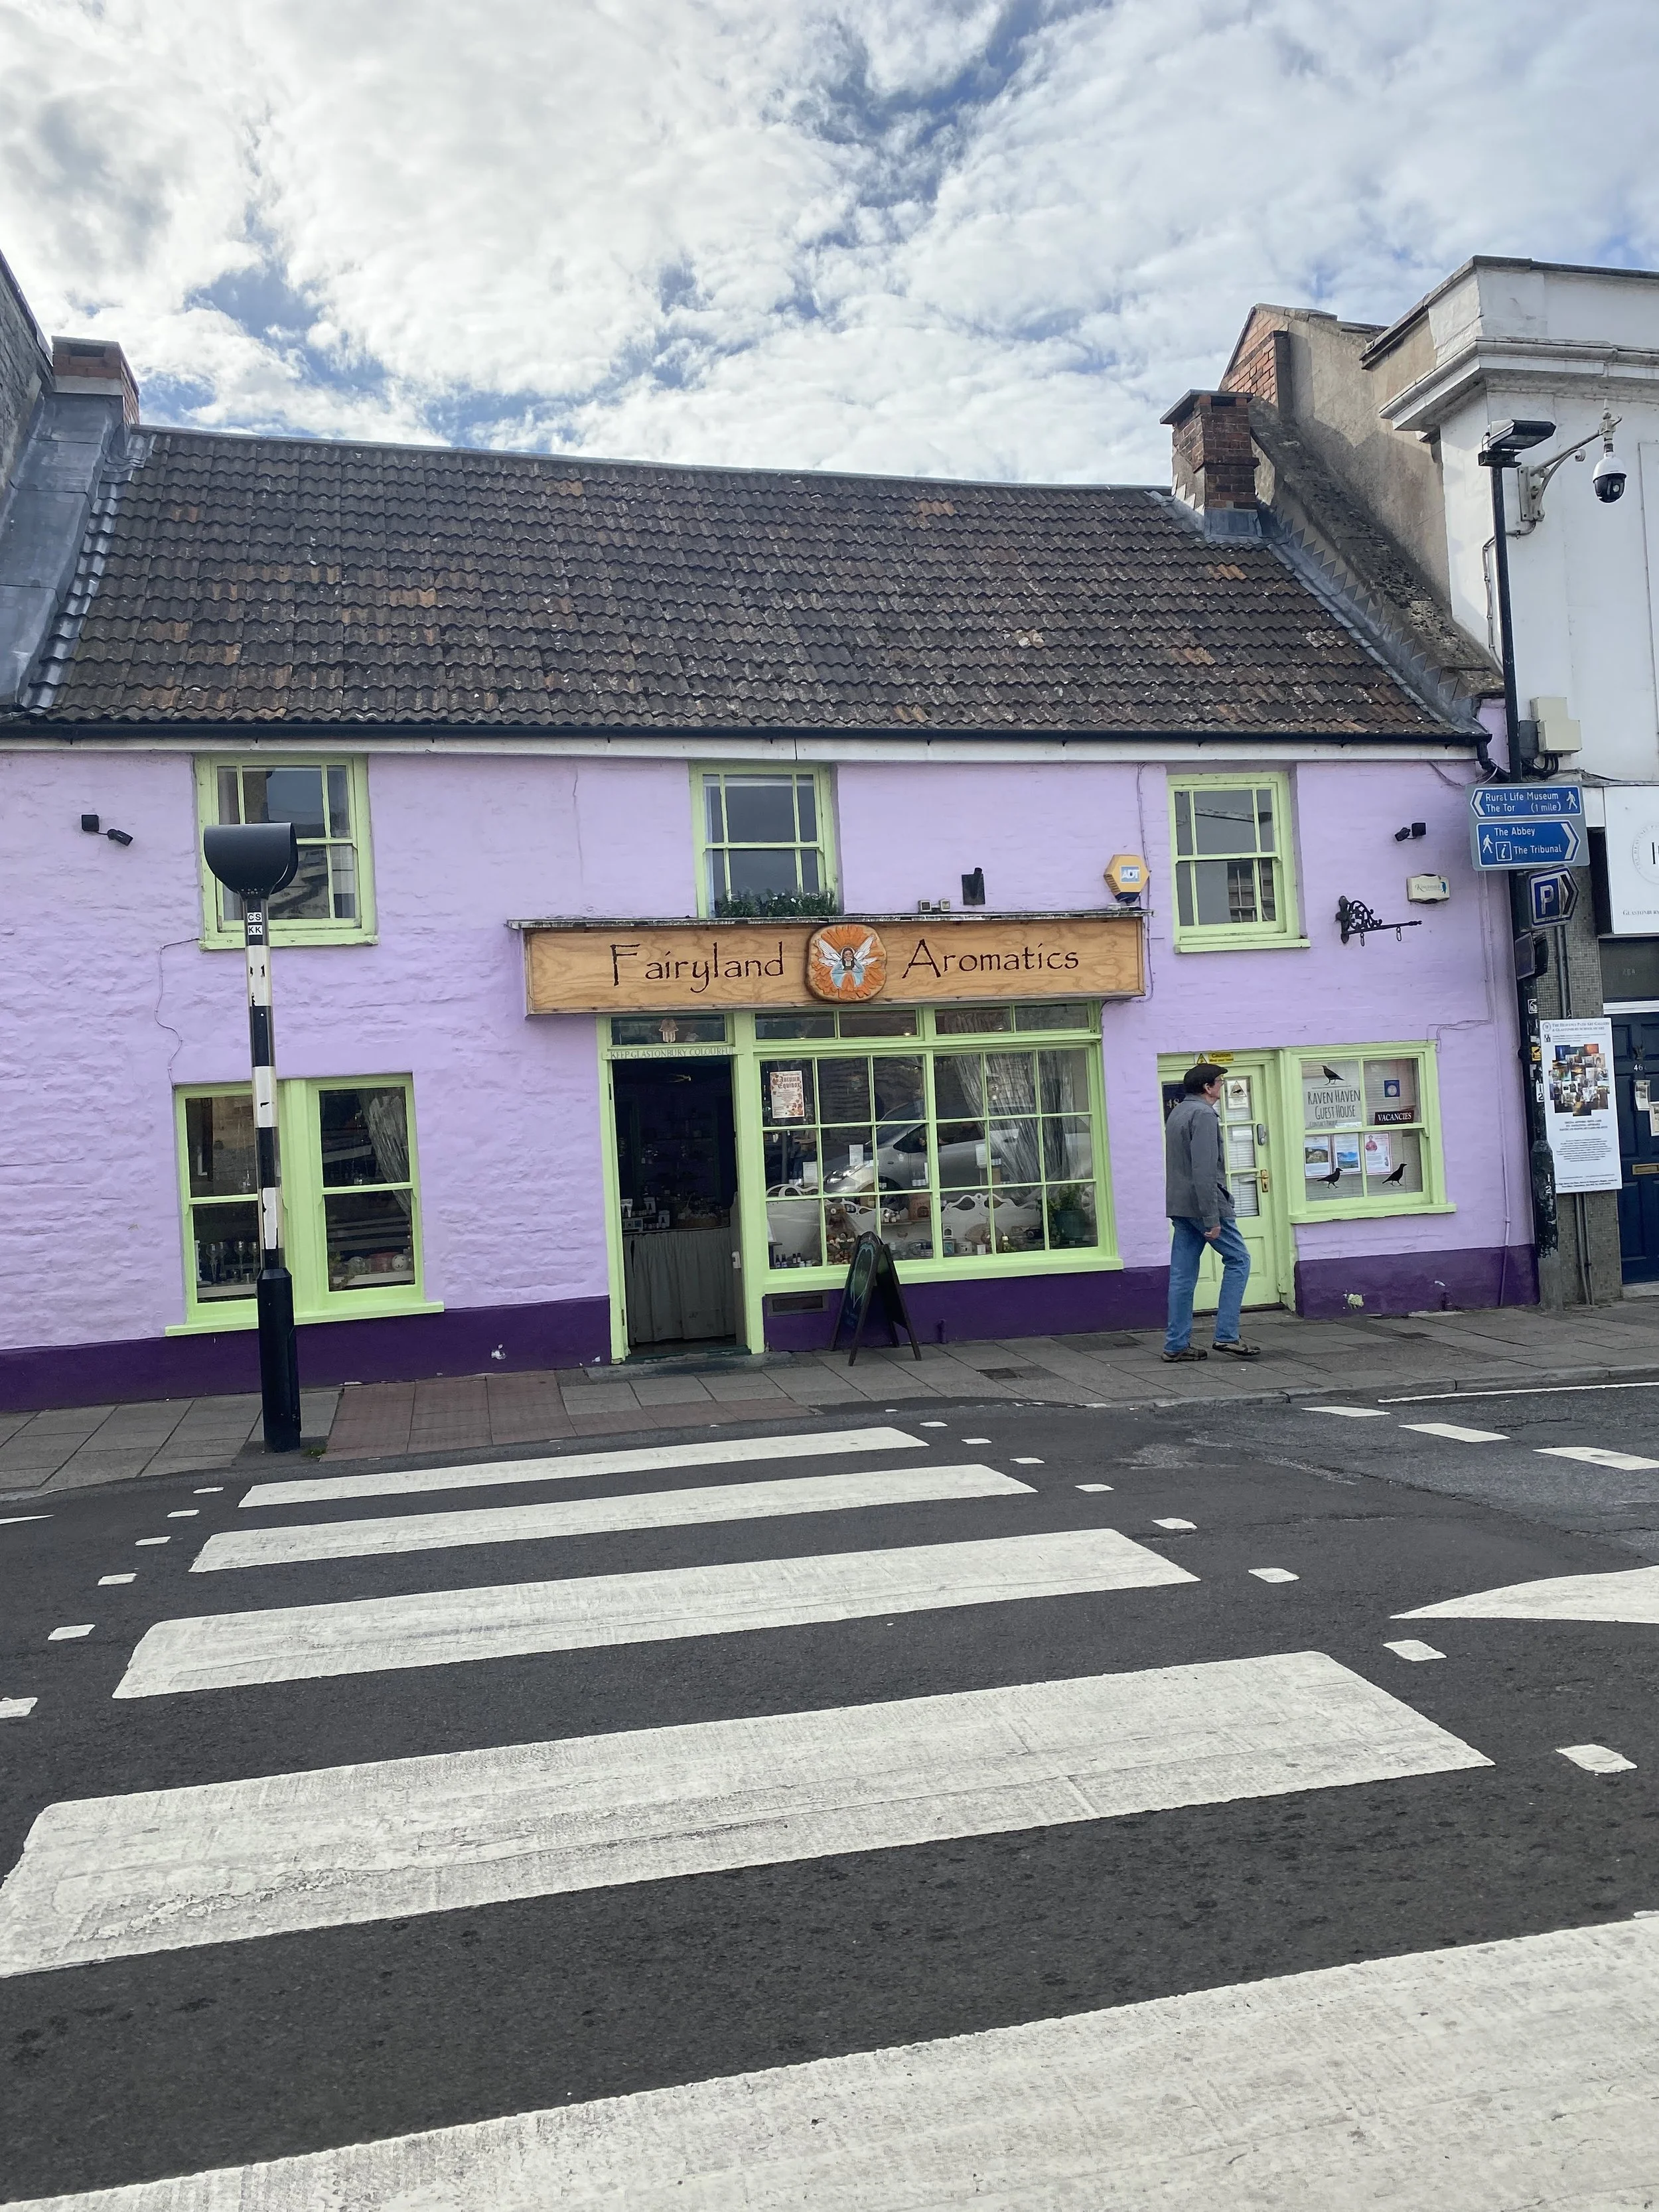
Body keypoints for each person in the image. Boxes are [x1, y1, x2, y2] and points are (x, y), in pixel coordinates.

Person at [1163, 1063, 1260, 1362]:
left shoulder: (1178, 1112)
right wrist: (1212, 1218)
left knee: (1181, 1276)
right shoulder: (1203, 1115)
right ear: (1208, 1087)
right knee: (1240, 1260)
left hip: (1179, 1205)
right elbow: (1204, 1171)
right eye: (1219, 1082)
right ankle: (1227, 1336)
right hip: (1205, 1204)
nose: (1221, 1087)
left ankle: (1176, 1345)